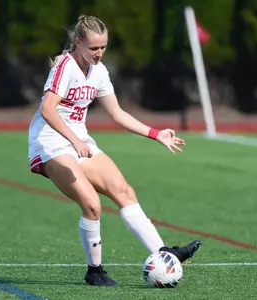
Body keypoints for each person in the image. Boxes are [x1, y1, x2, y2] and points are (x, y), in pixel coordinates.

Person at [28, 15, 201, 286]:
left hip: (78, 140)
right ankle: (94, 270)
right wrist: (74, 140)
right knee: (92, 205)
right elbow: (48, 110)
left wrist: (155, 134)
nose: (99, 54)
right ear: (78, 43)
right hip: (50, 142)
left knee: (124, 192)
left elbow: (117, 113)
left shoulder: (99, 72)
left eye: (103, 47)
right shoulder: (65, 65)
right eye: (94, 48)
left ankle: (163, 252)